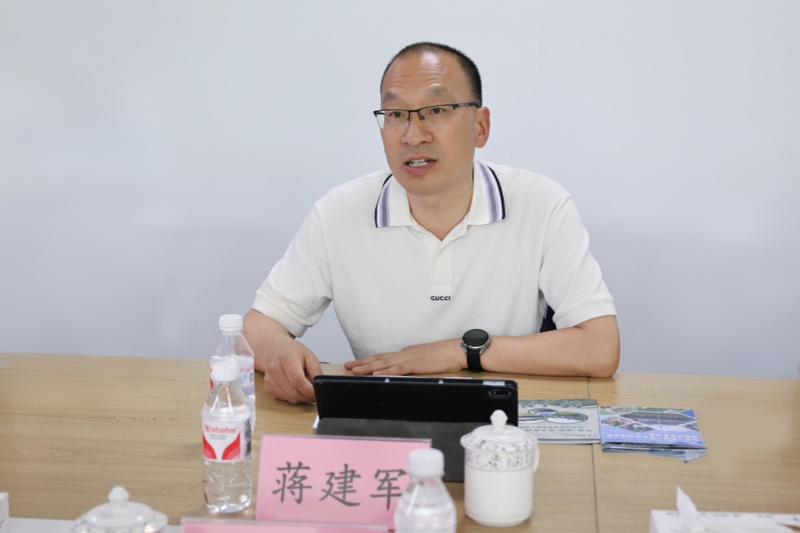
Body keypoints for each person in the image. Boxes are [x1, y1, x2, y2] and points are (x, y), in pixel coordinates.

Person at [243, 42, 620, 404]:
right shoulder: (339, 213)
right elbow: (256, 329)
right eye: (396, 114)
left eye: (437, 110)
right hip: (384, 417)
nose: (413, 135)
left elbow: (600, 348)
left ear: (480, 126)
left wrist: (460, 352)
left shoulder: (541, 204)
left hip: (501, 422)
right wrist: (279, 351)